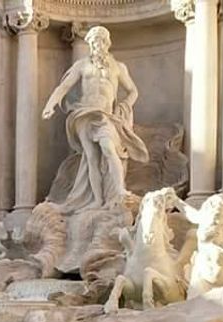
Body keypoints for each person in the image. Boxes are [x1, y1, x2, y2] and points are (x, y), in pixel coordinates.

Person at [42, 25, 148, 211]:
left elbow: (133, 91)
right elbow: (64, 87)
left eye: (101, 40)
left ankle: (120, 190)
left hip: (104, 114)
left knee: (108, 147)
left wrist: (125, 105)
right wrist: (50, 104)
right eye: (94, 41)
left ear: (107, 43)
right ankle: (97, 200)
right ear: (90, 44)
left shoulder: (118, 67)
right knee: (91, 157)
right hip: (84, 113)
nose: (97, 44)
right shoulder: (82, 65)